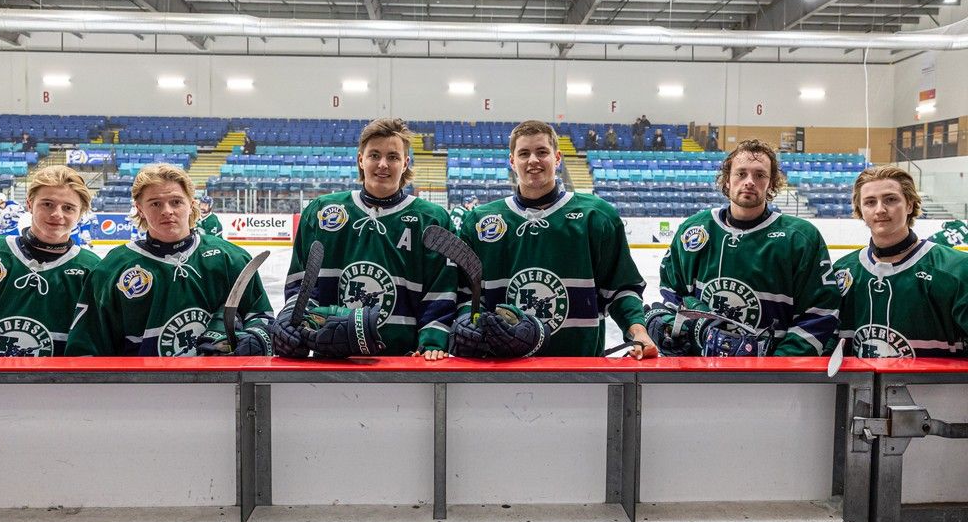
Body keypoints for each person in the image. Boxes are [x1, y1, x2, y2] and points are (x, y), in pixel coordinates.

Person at [455, 120, 656, 359]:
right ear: (512, 161)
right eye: (524, 153)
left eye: (542, 152)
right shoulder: (479, 221)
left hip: (581, 367)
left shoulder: (597, 216)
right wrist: (469, 322)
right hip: (502, 369)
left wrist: (638, 332)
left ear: (557, 158)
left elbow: (621, 288)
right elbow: (466, 294)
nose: (533, 160)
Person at [270, 118, 456, 360]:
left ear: (405, 163)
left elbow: (441, 288)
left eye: (393, 157)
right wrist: (293, 320)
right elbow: (302, 285)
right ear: (360, 159)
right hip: (331, 359)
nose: (383, 164)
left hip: (406, 359)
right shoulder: (322, 211)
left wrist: (432, 339)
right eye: (374, 155)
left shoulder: (432, 219)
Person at [651, 139, 839, 357]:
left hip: (772, 378)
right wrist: (670, 327)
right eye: (741, 174)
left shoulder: (801, 238)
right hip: (700, 371)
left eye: (760, 175)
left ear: (771, 183)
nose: (750, 181)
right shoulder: (694, 229)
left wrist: (778, 366)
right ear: (727, 180)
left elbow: (820, 313)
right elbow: (674, 296)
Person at [66, 163, 273, 357]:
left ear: (191, 205)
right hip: (142, 391)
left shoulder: (231, 258)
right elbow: (88, 347)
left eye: (176, 202)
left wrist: (255, 338)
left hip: (219, 391)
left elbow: (261, 317)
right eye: (155, 203)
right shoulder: (112, 268)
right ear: (139, 209)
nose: (167, 211)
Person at [834, 166, 968, 358]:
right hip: (860, 387)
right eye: (870, 202)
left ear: (910, 205)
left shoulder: (957, 269)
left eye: (891, 199)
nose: (880, 210)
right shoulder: (844, 270)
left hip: (937, 388)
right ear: (860, 210)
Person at [0, 166, 100, 356]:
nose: (57, 214)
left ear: (80, 213)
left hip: (53, 385)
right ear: (30, 204)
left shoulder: (92, 269)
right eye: (47, 204)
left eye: (68, 208)